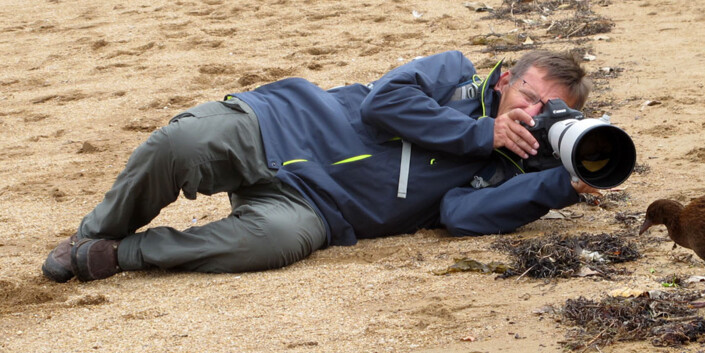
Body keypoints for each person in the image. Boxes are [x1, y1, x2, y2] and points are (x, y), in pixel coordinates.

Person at [42, 49, 597, 282]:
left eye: (547, 111)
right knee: (181, 144)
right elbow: (386, 102)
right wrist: (479, 132)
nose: (532, 112)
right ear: (504, 80)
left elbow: (460, 215)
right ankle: (90, 235)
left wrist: (558, 185)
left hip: (315, 207)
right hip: (277, 125)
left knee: (272, 243)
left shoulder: (511, 172)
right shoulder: (452, 72)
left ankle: (121, 254)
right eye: (528, 96)